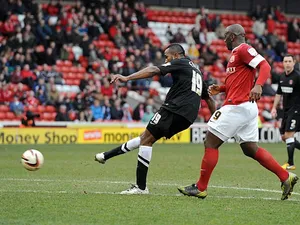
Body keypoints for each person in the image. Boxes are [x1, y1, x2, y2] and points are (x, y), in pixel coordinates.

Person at [177, 24, 298, 201]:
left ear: (233, 36)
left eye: (226, 35)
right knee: (250, 149)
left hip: (237, 106)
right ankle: (286, 176)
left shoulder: (243, 49)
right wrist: (222, 88)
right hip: (245, 107)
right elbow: (239, 82)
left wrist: (258, 85)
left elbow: (265, 66)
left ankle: (201, 187)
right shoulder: (235, 55)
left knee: (210, 142)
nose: (223, 39)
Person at [95, 43, 215, 194]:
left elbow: (153, 70)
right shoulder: (195, 70)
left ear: (176, 55)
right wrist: (215, 121)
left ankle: (141, 187)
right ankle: (106, 156)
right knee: (146, 137)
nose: (166, 61)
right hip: (188, 116)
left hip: (174, 109)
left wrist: (127, 78)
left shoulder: (180, 62)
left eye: (167, 57)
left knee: (146, 140)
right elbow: (209, 99)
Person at [271, 55, 300, 170]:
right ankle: (290, 162)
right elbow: (279, 94)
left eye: (289, 61)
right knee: (284, 137)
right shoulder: (282, 77)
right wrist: (274, 108)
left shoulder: (297, 77)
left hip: (297, 110)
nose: (287, 63)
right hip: (286, 110)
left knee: (289, 135)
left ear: (294, 63)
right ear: (282, 63)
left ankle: (290, 163)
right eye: (285, 61)